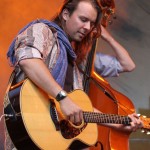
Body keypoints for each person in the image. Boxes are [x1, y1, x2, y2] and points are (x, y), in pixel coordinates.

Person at [5, 0, 142, 149]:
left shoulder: (75, 61)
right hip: (29, 131)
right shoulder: (41, 30)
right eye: (83, 20)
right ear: (65, 14)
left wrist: (119, 123)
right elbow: (28, 59)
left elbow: (80, 108)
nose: (88, 28)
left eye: (91, 23)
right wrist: (62, 97)